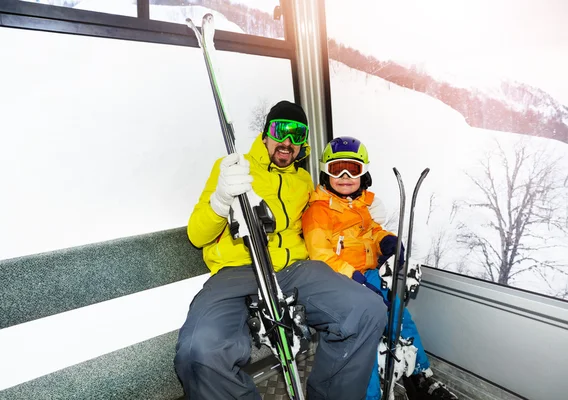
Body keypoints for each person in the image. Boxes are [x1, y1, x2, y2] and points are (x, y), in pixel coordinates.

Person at [174, 101, 388, 400]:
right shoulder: (235, 170)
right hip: (238, 270)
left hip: (295, 271)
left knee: (368, 310)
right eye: (280, 130)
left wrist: (367, 205)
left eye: (298, 135)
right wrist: (221, 200)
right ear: (265, 135)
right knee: (199, 351)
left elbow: (330, 207)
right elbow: (198, 235)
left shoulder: (302, 180)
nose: (288, 142)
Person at [301, 136, 458, 400]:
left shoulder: (360, 206)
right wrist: (355, 276)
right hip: (340, 281)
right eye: (337, 168)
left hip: (367, 275)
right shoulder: (318, 211)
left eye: (353, 169)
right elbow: (321, 254)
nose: (344, 176)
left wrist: (387, 241)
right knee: (368, 330)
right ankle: (370, 394)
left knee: (399, 313)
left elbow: (371, 231)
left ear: (364, 174)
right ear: (325, 172)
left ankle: (417, 376)